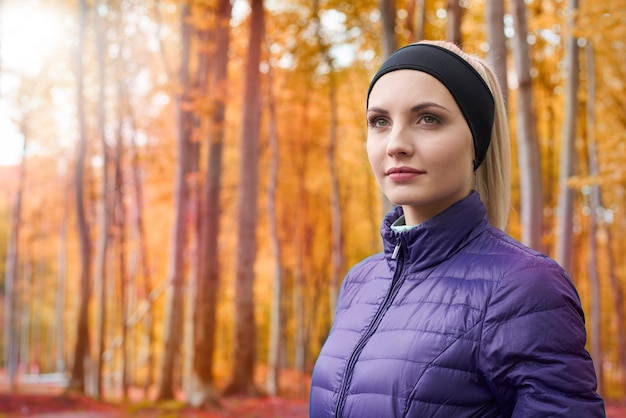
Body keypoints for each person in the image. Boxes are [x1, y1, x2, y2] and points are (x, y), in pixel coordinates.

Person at [309, 40, 605, 417]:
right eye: (379, 121)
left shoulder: (527, 288)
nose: (395, 144)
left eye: (428, 118)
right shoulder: (360, 282)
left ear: (475, 142)